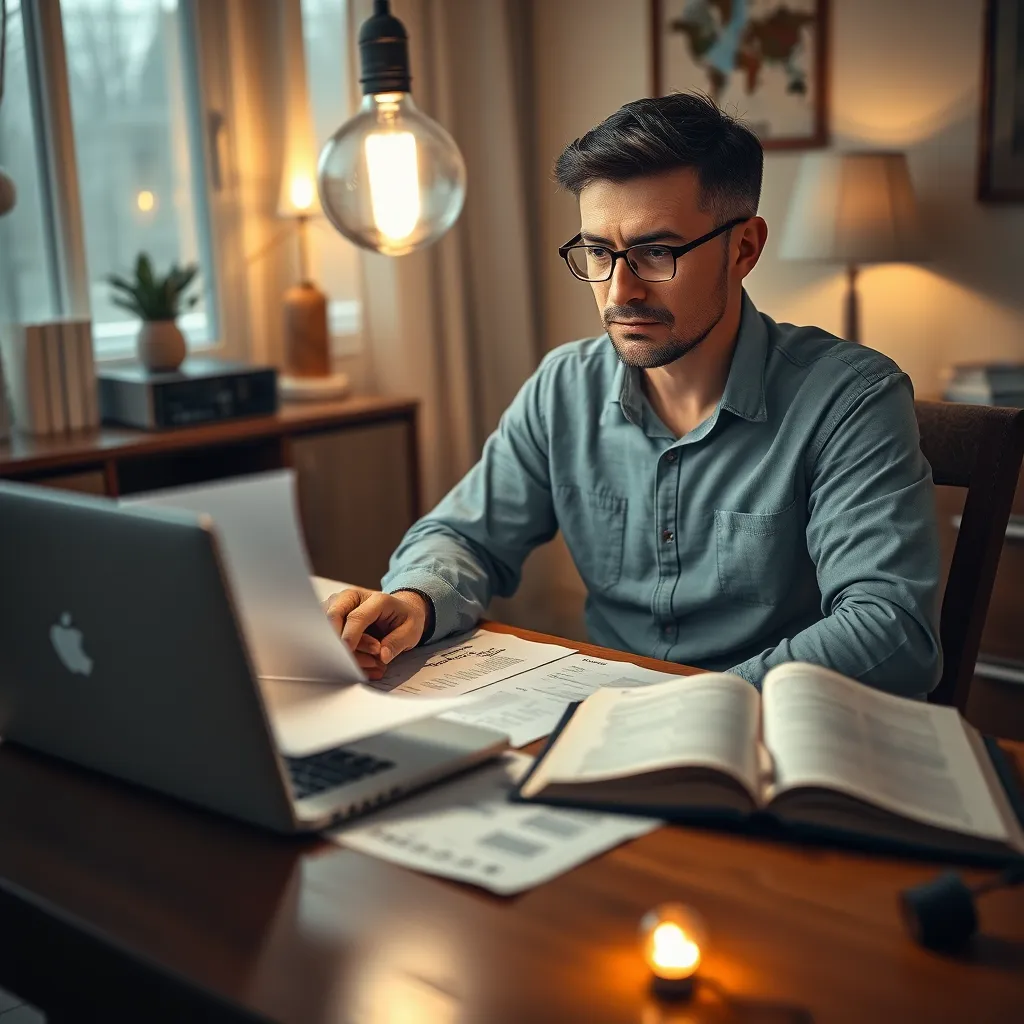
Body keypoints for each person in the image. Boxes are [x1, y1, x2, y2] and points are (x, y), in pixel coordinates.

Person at [324, 92, 942, 696]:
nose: (620, 291)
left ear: (744, 248)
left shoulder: (851, 399)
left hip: (773, 738)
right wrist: (414, 600)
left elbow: (890, 630)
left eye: (656, 252)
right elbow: (465, 536)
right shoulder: (564, 387)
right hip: (602, 718)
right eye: (598, 251)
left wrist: (694, 703)